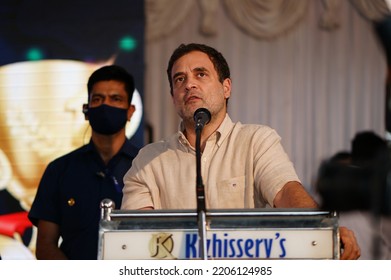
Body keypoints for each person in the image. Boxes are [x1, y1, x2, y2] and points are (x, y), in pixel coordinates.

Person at [121, 43, 360, 259]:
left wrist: (323, 227)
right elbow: (136, 237)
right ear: (173, 96)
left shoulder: (256, 140)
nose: (189, 84)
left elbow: (286, 191)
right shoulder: (147, 159)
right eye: (179, 79)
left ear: (226, 87)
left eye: (200, 74)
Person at [28, 65, 140, 259]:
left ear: (130, 111)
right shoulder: (59, 170)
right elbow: (45, 245)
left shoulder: (147, 167)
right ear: (86, 110)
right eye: (97, 99)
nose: (106, 105)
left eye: (116, 99)